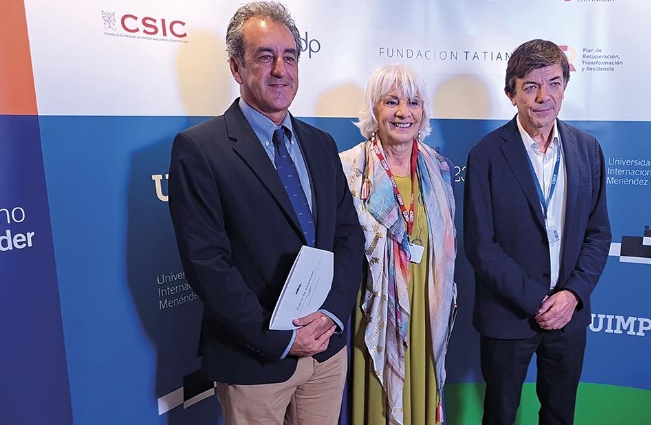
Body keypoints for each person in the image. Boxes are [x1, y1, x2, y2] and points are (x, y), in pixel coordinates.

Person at [167, 2, 364, 424]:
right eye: (264, 56)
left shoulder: (321, 144)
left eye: (289, 57)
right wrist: (278, 337)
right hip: (255, 360)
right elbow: (207, 264)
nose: (280, 69)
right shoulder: (199, 149)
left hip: (326, 351)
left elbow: (348, 236)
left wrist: (330, 314)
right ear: (237, 68)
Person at [463, 39, 612, 425]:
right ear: (511, 93)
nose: (544, 96)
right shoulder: (485, 155)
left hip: (569, 315)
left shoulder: (588, 149)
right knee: (500, 415)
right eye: (530, 86)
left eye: (554, 83)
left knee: (560, 414)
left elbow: (598, 233)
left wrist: (571, 295)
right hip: (508, 315)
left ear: (565, 86)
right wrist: (538, 300)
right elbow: (482, 246)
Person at [339, 63, 458, 425]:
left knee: (420, 395)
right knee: (379, 400)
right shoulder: (349, 169)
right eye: (392, 102)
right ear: (374, 109)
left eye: (414, 102)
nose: (404, 112)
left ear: (424, 113)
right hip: (374, 311)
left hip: (426, 308)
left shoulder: (438, 169)